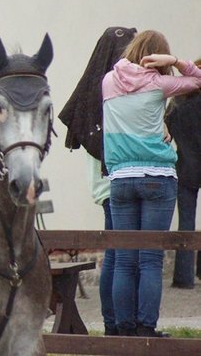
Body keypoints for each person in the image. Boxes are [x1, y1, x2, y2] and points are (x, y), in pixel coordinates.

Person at [102, 30, 201, 337]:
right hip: (157, 177)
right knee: (150, 260)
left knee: (124, 260)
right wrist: (176, 61)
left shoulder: (108, 81)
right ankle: (146, 330)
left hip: (120, 179)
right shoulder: (160, 84)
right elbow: (198, 81)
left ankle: (124, 330)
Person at [58, 26, 136, 336]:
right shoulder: (105, 90)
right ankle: (114, 325)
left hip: (113, 182)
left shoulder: (104, 87)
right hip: (111, 183)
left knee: (118, 254)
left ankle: (116, 324)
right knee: (118, 255)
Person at [165, 60, 201, 289]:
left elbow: (165, 132)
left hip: (185, 166)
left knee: (185, 223)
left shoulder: (177, 102)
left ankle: (183, 277)